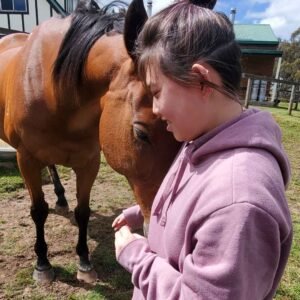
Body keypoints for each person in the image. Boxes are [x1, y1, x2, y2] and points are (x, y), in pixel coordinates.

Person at [112, 0, 293, 299]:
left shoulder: (239, 202)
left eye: (157, 92)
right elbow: (194, 194)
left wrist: (137, 258)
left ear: (201, 79)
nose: (155, 109)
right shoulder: (201, 138)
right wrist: (152, 212)